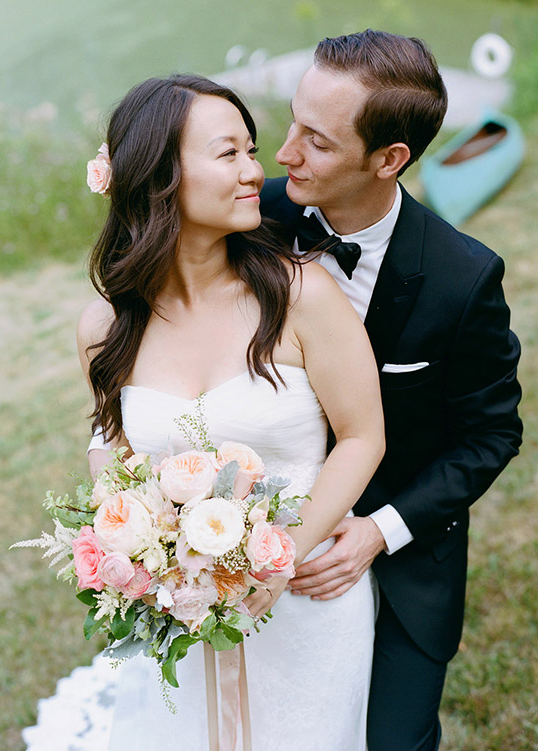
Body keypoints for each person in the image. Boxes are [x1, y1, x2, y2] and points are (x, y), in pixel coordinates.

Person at [25, 74, 385, 751]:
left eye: (251, 150)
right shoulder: (106, 326)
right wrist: (131, 539)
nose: (257, 170)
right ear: (162, 175)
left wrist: (282, 558)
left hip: (307, 599)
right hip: (180, 609)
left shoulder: (301, 294)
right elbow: (113, 443)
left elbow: (364, 436)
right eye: (230, 154)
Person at [259, 29, 523, 751]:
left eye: (316, 139)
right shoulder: (251, 223)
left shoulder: (463, 279)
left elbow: (492, 434)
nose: (284, 154)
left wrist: (381, 529)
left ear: (390, 159)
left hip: (400, 560)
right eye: (292, 121)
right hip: (252, 534)